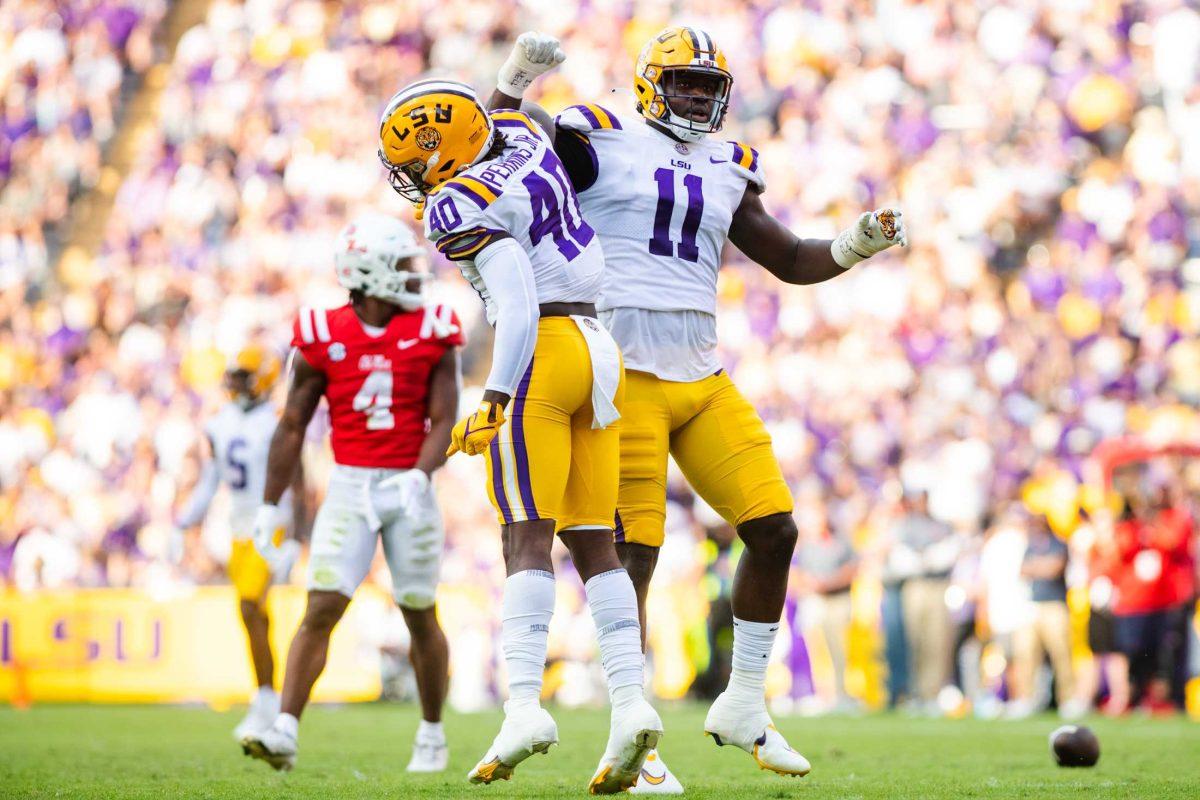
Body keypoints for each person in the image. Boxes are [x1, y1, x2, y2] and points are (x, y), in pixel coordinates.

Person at [486, 27, 907, 784]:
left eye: (708, 87)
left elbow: (788, 258)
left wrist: (856, 243)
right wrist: (514, 82)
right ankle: (635, 742)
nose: (697, 98)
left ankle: (743, 701)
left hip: (702, 372)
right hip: (623, 370)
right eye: (683, 83)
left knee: (774, 529)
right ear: (649, 83)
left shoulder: (728, 162)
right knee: (633, 560)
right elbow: (493, 138)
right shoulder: (599, 134)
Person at [378, 79, 662, 794]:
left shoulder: (455, 201)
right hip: (599, 345)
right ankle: (630, 706)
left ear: (442, 153)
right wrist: (509, 80)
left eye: (414, 161)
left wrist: (496, 393)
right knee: (597, 539)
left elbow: (514, 297)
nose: (412, 180)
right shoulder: (526, 143)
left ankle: (525, 708)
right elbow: (497, 119)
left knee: (524, 537)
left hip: (540, 352)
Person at [242, 213, 461, 772]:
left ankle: (432, 733)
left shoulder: (433, 327)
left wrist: (420, 474)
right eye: (403, 265)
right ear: (370, 273)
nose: (415, 274)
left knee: (418, 609)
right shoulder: (322, 332)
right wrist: (270, 506)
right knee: (323, 604)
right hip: (350, 482)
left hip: (409, 482)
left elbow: (444, 418)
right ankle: (285, 728)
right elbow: (292, 424)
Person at [172, 346, 303, 741]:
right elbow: (212, 481)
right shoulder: (219, 423)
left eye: (245, 375)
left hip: (272, 523)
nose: (238, 382)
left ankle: (265, 702)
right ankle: (267, 698)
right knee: (253, 615)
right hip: (238, 528)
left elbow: (298, 480)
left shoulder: (277, 421)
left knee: (250, 605)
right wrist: (183, 522)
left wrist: (298, 534)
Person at [1009, 516, 1081, 719]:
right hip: (1032, 605)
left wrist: (1037, 567)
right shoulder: (1030, 546)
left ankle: (1068, 698)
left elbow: (1054, 569)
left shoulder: (1058, 544)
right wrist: (1042, 566)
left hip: (1054, 604)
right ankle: (1025, 698)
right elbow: (1023, 570)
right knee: (1026, 653)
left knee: (1061, 653)